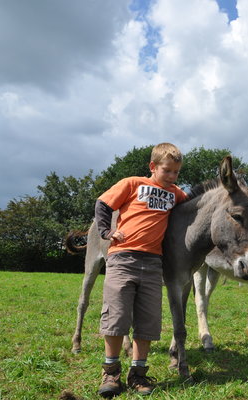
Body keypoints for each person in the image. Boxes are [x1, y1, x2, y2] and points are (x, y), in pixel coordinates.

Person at [95, 143, 187, 397]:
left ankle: (138, 374)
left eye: (176, 172)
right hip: (122, 258)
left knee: (148, 322)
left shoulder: (177, 194)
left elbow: (191, 210)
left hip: (153, 263)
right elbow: (103, 204)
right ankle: (111, 372)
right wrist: (107, 231)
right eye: (166, 171)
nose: (171, 176)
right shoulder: (133, 183)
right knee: (116, 317)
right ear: (152, 166)